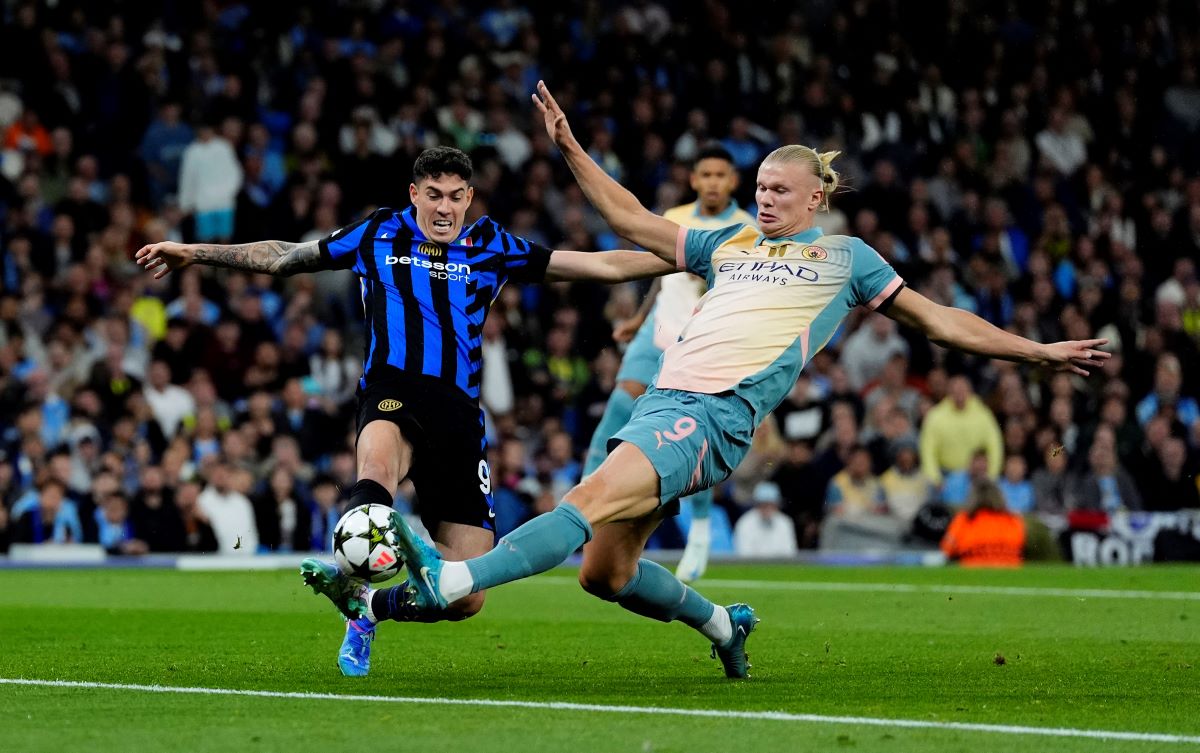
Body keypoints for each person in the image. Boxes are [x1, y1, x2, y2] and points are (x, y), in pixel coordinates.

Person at [329, 82, 1108, 680]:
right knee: (606, 573)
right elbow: (633, 222)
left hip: (716, 416)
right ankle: (724, 627)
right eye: (760, 188)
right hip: (666, 404)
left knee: (584, 500)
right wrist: (569, 148)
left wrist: (1036, 352)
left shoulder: (848, 259)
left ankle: (447, 574)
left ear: (817, 198)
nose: (764, 199)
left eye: (778, 191)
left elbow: (940, 320)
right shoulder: (727, 245)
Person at [136, 145, 677, 676]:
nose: (444, 207)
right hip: (393, 391)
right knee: (375, 474)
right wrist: (195, 252)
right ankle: (357, 566)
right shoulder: (379, 231)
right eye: (434, 195)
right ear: (414, 194)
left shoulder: (493, 245)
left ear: (470, 198)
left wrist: (690, 255)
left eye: (456, 197)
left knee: (467, 597)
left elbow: (602, 264)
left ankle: (367, 610)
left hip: (459, 417)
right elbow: (286, 257)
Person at [583, 144, 755, 583]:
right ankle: (581, 510)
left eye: (721, 174)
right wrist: (637, 319)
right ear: (694, 179)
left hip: (699, 340)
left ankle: (699, 529)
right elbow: (661, 277)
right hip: (655, 333)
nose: (713, 182)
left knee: (692, 437)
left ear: (733, 181)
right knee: (618, 411)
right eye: (706, 174)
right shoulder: (675, 218)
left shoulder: (748, 229)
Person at [940, 480, 1026, 566]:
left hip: (973, 573)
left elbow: (947, 549)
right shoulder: (1013, 519)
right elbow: (1023, 546)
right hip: (1010, 573)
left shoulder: (964, 519)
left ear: (972, 498)